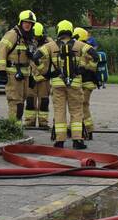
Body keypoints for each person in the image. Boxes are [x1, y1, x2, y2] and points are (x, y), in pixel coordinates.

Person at [33, 20, 97, 149]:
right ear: (71, 30)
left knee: (59, 111)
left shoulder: (51, 46)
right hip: (75, 84)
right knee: (76, 111)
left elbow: (36, 57)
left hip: (58, 84)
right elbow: (95, 56)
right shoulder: (79, 45)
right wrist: (85, 68)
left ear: (58, 30)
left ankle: (59, 141)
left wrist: (45, 72)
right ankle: (77, 141)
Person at [0, 10, 37, 121]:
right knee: (15, 101)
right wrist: (2, 70)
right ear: (20, 22)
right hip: (13, 74)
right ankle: (14, 126)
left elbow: (31, 59)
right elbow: (2, 51)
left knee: (21, 101)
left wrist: (32, 75)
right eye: (25, 22)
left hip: (25, 75)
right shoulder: (12, 35)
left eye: (30, 23)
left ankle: (17, 125)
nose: (28, 25)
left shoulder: (29, 38)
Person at [73, 27, 100, 139]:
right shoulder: (81, 48)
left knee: (83, 105)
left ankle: (88, 130)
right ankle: (79, 129)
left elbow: (93, 63)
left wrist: (86, 68)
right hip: (82, 82)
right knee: (79, 106)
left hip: (87, 83)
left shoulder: (86, 49)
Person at [25, 22, 53, 128]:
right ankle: (29, 122)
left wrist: (50, 73)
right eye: (34, 37)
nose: (35, 39)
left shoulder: (49, 43)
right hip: (31, 76)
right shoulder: (27, 41)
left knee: (44, 101)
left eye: (37, 37)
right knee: (30, 100)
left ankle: (43, 123)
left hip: (44, 77)